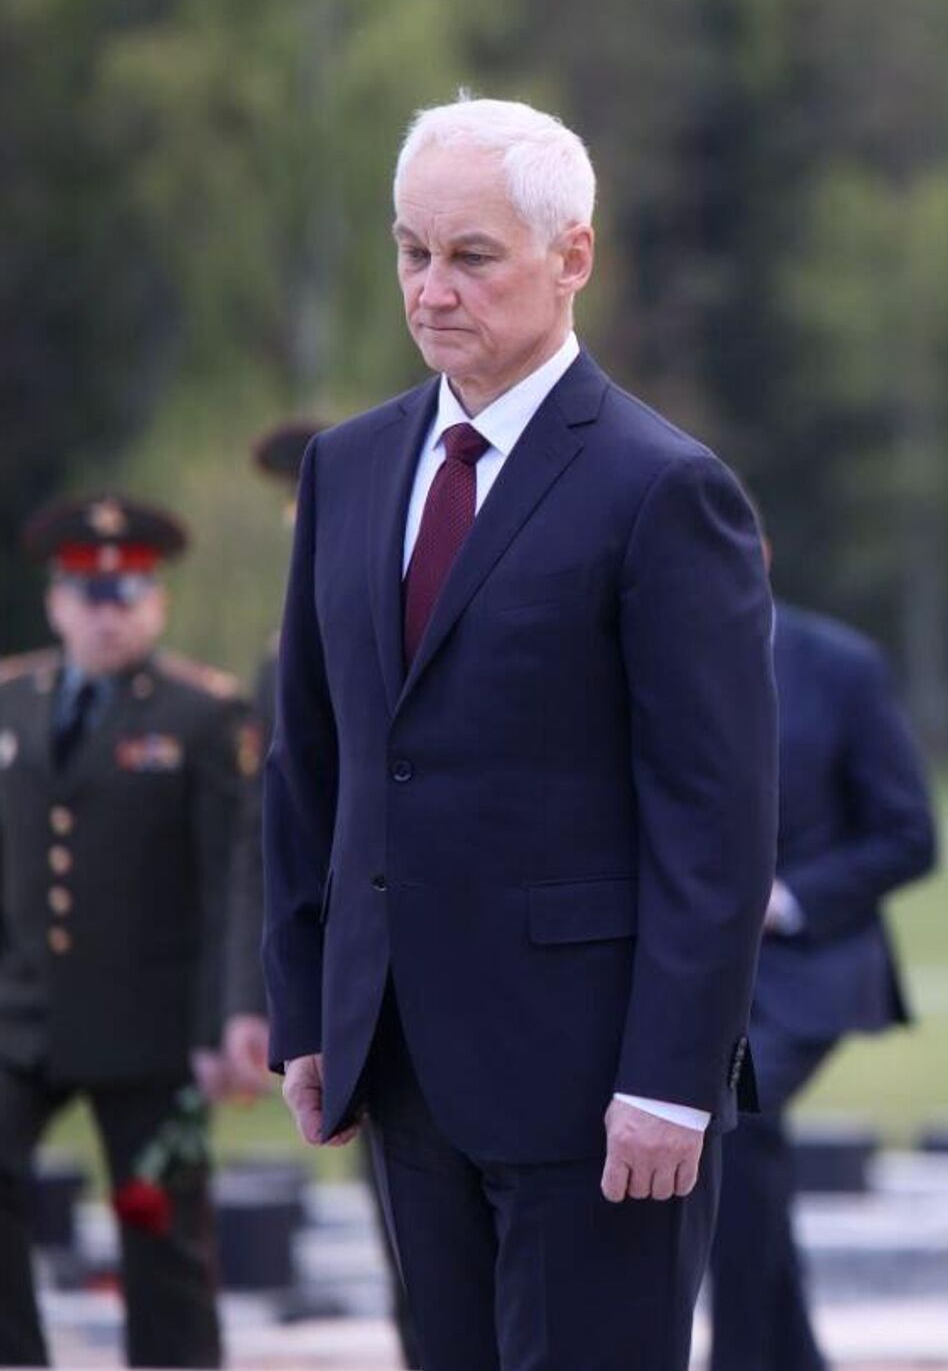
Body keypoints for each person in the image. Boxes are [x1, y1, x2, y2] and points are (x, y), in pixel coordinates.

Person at [260, 96, 777, 1371]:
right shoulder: (349, 469)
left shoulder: (665, 488)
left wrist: (670, 1079)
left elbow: (713, 823)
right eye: (411, 251)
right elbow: (313, 762)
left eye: (471, 256)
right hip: (401, 1066)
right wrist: (306, 1008)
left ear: (572, 256)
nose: (431, 289)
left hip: (597, 1087)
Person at [0, 495, 245, 1367]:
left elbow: (229, 881)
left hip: (150, 1026)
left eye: (128, 596)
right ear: (56, 603)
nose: (108, 615)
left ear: (157, 604)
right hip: (22, 1012)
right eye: (89, 595)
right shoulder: (12, 702)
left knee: (159, 1226)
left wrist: (225, 1022)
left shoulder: (201, 715)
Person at [222, 419, 423, 1368]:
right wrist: (268, 996)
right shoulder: (284, 656)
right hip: (356, 964)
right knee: (402, 1219)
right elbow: (278, 830)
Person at [705, 567, 939, 1371]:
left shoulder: (842, 665)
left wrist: (788, 900)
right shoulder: (657, 653)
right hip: (700, 971)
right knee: (743, 1151)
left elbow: (910, 836)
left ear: (755, 552)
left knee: (729, 1118)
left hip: (812, 965)